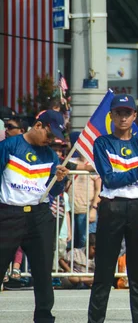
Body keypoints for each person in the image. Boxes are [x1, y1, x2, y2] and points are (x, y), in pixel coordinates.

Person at [88, 94, 138, 323]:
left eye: (128, 113)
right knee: (103, 273)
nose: (123, 117)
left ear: (135, 116)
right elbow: (109, 179)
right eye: (118, 112)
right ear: (111, 115)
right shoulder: (102, 143)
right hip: (112, 207)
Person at [0, 110, 70, 322]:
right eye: (49, 135)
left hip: (39, 215)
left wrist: (59, 180)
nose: (50, 141)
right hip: (9, 213)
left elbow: (53, 191)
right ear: (38, 125)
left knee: (43, 273)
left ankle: (44, 316)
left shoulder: (50, 155)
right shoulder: (9, 146)